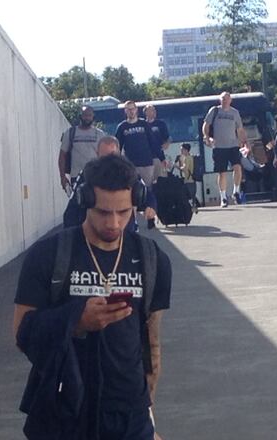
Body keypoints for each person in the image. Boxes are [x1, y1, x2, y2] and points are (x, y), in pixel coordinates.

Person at [14, 154, 172, 440]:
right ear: (85, 201)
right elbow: (21, 333)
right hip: (66, 412)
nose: (114, 222)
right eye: (103, 212)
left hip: (130, 416)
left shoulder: (152, 259)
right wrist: (76, 320)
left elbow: (151, 341)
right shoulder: (49, 255)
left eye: (123, 212)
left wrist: (148, 411)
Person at [63, 136, 158, 231]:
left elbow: (145, 193)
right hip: (94, 232)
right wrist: (72, 235)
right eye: (104, 157)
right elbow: (72, 209)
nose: (109, 162)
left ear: (119, 154)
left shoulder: (129, 172)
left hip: (125, 232)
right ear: (97, 154)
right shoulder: (87, 174)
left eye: (112, 156)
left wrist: (151, 206)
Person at [202, 91, 249, 207]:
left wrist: (245, 142)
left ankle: (236, 192)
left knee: (237, 167)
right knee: (222, 172)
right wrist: (207, 137)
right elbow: (206, 125)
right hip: (219, 146)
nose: (225, 101)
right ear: (220, 100)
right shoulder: (214, 111)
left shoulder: (235, 113)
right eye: (223, 99)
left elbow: (240, 129)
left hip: (233, 145)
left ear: (230, 100)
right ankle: (223, 198)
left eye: (227, 99)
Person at [59, 105, 106, 191]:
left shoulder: (100, 134)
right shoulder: (70, 133)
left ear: (93, 117)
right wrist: (62, 177)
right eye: (85, 115)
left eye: (89, 115)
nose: (87, 118)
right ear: (80, 116)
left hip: (95, 176)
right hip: (76, 177)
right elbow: (62, 155)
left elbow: (106, 157)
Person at [115, 101, 159, 188]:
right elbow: (117, 146)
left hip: (146, 163)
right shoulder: (122, 127)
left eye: (132, 109)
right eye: (128, 109)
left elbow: (152, 142)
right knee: (132, 189)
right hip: (131, 165)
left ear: (136, 110)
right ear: (125, 111)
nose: (131, 111)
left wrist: (161, 157)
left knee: (147, 189)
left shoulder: (144, 124)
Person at [144, 104, 171, 179]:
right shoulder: (143, 124)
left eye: (154, 110)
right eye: (151, 110)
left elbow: (168, 137)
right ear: (146, 112)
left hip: (159, 157)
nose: (154, 112)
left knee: (161, 179)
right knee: (148, 180)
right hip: (146, 158)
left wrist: (167, 143)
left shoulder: (161, 124)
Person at [176, 143, 199, 213]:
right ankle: (194, 207)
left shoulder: (187, 158)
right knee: (192, 195)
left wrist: (177, 167)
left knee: (187, 195)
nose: (181, 151)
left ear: (186, 150)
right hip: (192, 179)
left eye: (182, 149)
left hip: (188, 180)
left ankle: (192, 208)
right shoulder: (191, 157)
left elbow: (185, 169)